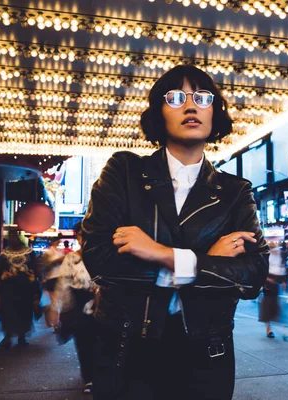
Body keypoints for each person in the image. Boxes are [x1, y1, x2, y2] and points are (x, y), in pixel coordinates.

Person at [82, 65, 269, 400]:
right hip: (128, 348)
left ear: (215, 112)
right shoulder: (124, 172)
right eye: (176, 97)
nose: (191, 105)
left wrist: (161, 254)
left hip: (208, 353)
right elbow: (100, 258)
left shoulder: (235, 191)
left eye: (202, 97)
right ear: (159, 112)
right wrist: (204, 261)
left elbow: (253, 275)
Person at [54, 222, 96, 394]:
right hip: (81, 306)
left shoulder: (106, 255)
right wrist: (59, 310)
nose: (83, 237)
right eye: (79, 234)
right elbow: (63, 284)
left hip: (107, 305)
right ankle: (90, 378)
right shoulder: (72, 259)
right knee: (84, 341)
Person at [0, 231, 42, 348]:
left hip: (25, 288)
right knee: (7, 311)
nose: (13, 239)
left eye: (15, 237)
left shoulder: (29, 252)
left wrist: (41, 278)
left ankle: (21, 336)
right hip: (8, 288)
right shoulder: (5, 253)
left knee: (25, 311)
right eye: (11, 237)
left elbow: (36, 266)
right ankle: (7, 336)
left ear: (19, 238)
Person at [259, 239, 288, 341]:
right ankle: (269, 329)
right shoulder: (266, 257)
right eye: (272, 248)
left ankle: (283, 327)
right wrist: (266, 280)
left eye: (276, 248)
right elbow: (262, 271)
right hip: (268, 283)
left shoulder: (281, 255)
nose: (275, 250)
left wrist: (284, 281)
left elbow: (284, 268)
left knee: (278, 305)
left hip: (277, 281)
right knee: (267, 305)